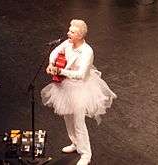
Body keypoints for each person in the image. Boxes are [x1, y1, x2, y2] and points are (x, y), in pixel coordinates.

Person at [41, 19, 117, 165]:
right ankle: (75, 143)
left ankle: (86, 154)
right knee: (68, 119)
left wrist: (60, 70)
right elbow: (55, 52)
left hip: (80, 88)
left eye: (72, 32)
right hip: (64, 86)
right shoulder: (67, 43)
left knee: (78, 122)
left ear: (80, 36)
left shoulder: (87, 51)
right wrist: (51, 64)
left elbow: (81, 74)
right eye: (69, 30)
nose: (68, 33)